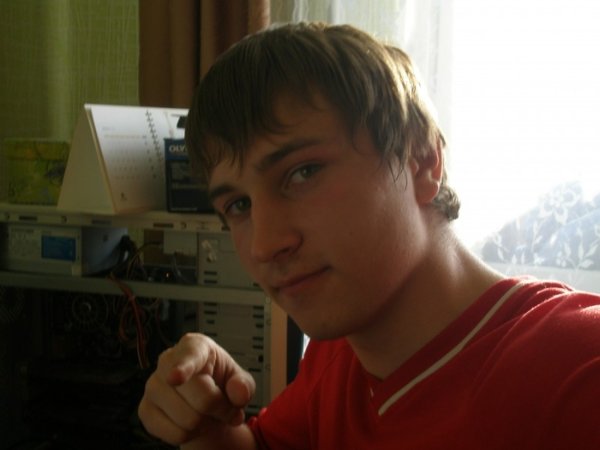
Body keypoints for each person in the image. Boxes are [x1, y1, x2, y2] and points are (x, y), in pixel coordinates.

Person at [137, 22, 600, 449]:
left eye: (303, 172)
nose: (264, 245)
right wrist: (209, 429)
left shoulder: (578, 371)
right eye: (239, 206)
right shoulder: (339, 354)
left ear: (422, 161)